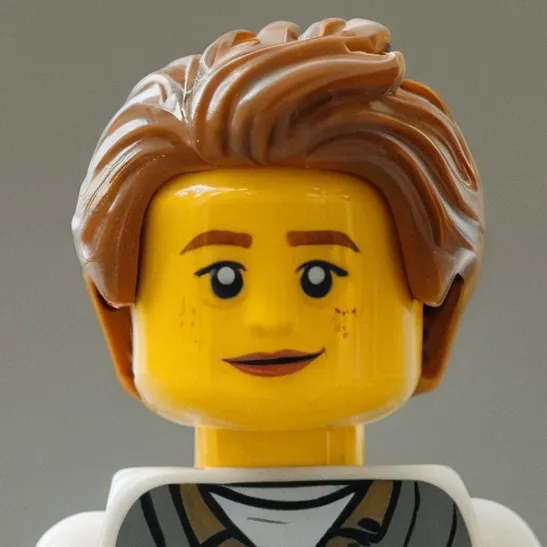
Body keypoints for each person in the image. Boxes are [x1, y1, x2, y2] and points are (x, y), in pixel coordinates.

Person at [37, 18, 540, 547]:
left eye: (319, 278)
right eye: (224, 280)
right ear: (120, 321)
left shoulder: (468, 533)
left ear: (435, 315)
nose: (270, 318)